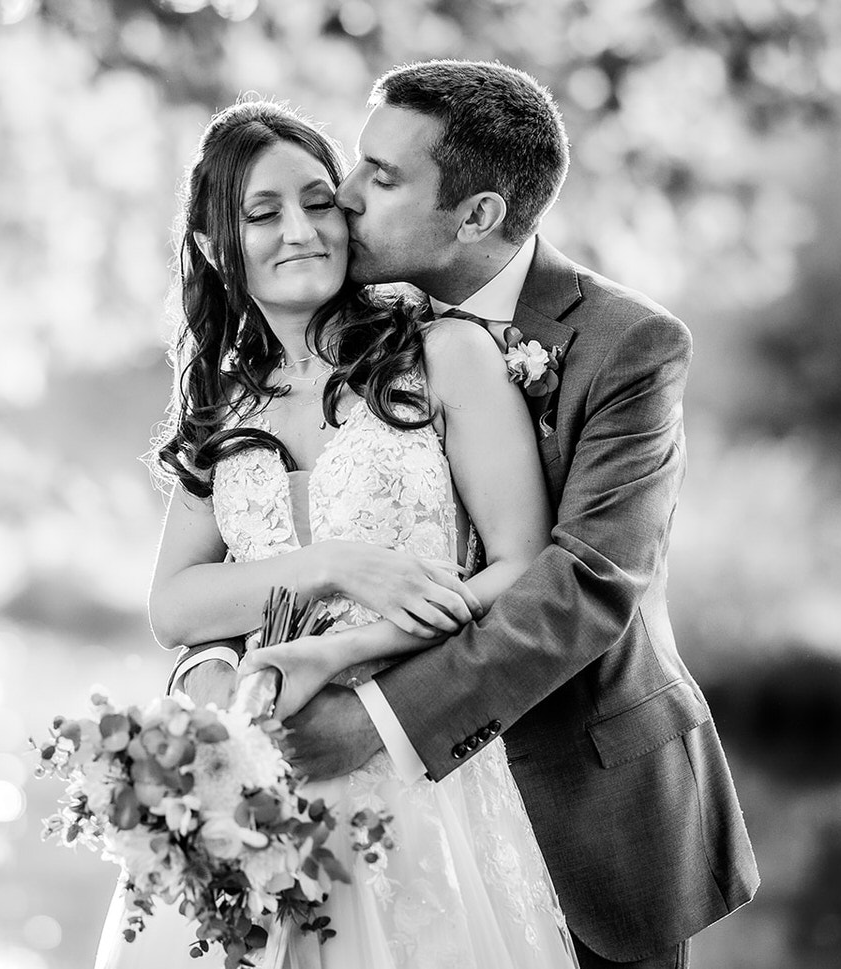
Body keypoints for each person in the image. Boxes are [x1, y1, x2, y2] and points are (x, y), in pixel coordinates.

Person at [177, 60, 761, 968]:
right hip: (345, 815)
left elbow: (584, 585)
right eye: (356, 168)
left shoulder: (628, 346)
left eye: (382, 177)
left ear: (479, 215)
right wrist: (218, 669)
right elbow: (242, 555)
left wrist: (369, 711)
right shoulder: (336, 333)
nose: (345, 200)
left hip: (585, 797)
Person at [97, 97, 579, 968]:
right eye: (263, 212)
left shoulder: (444, 357)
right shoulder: (224, 406)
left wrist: (350, 650)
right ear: (215, 246)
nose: (302, 230)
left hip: (416, 778)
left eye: (319, 201)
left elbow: (521, 567)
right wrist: (329, 568)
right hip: (259, 789)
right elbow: (174, 606)